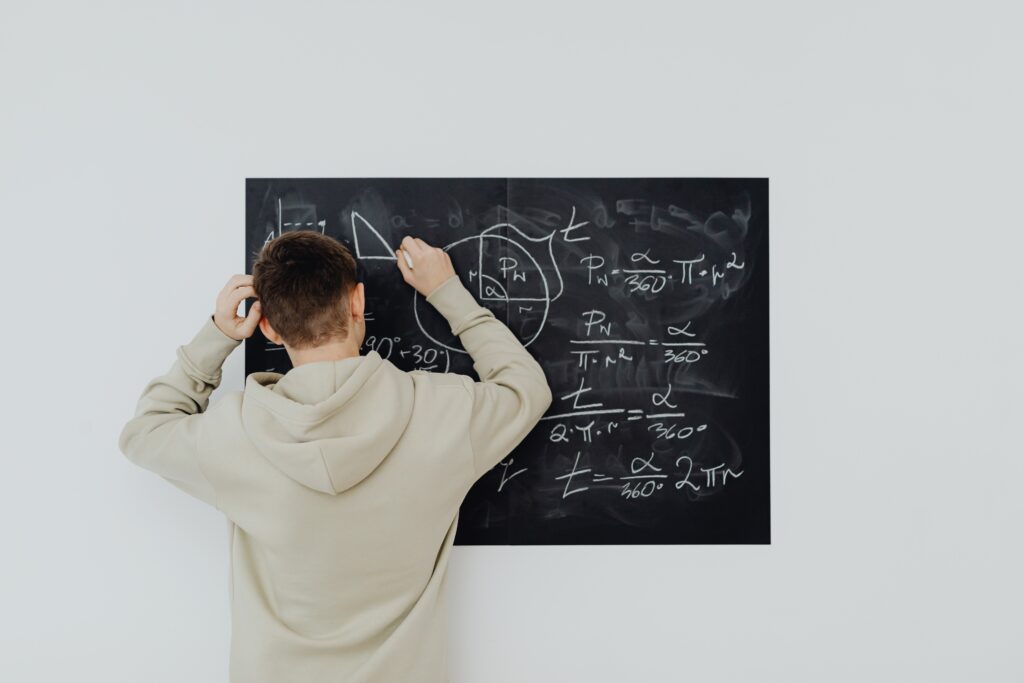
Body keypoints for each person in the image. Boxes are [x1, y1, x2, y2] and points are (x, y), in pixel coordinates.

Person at [118, 231, 553, 682]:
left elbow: (144, 433)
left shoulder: (235, 436)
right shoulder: (442, 413)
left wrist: (217, 335)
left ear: (266, 327)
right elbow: (525, 387)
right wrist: (446, 291)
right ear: (357, 302)